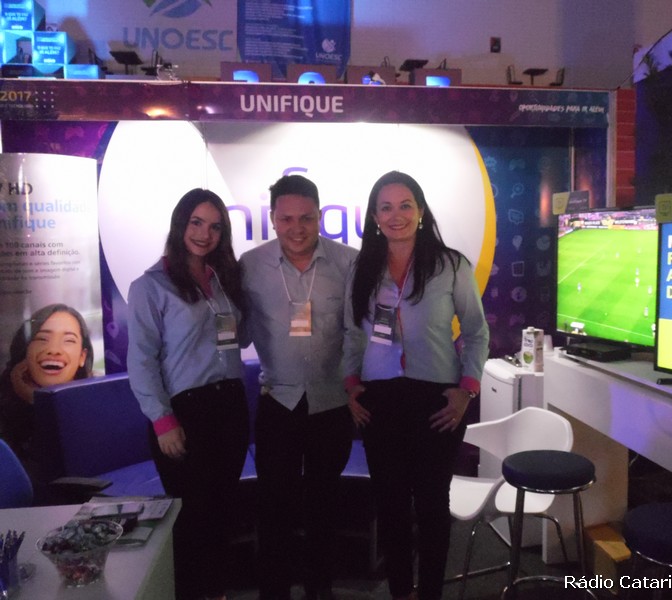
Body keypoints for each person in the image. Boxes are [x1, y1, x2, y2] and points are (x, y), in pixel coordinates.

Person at [344, 171, 490, 600]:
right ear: (374, 217)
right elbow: (352, 333)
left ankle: (429, 593)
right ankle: (399, 592)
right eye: (386, 207)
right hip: (379, 401)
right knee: (390, 506)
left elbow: (477, 332)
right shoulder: (362, 268)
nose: (397, 215)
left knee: (431, 506)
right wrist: (350, 385)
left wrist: (467, 389)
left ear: (421, 211)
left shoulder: (451, 265)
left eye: (405, 205)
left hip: (437, 402)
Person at [239, 174, 357, 600]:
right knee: (275, 510)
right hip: (278, 402)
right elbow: (237, 331)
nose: (297, 228)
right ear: (272, 218)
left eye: (306, 217)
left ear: (320, 216)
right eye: (286, 218)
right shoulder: (250, 266)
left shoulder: (349, 263)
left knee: (324, 506)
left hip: (332, 403)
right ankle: (275, 592)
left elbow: (358, 332)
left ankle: (319, 590)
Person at [127, 188, 249, 600]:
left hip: (230, 405)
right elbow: (142, 362)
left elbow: (241, 337)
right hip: (184, 413)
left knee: (223, 511)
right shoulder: (151, 286)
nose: (204, 234)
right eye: (196, 223)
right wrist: (163, 421)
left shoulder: (223, 278)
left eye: (215, 227)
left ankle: (216, 592)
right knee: (193, 517)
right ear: (180, 224)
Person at [0, 303, 94, 465]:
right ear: (25, 350)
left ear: (82, 357)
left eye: (68, 340)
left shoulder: (95, 405)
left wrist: (37, 402)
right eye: (42, 339)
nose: (54, 350)